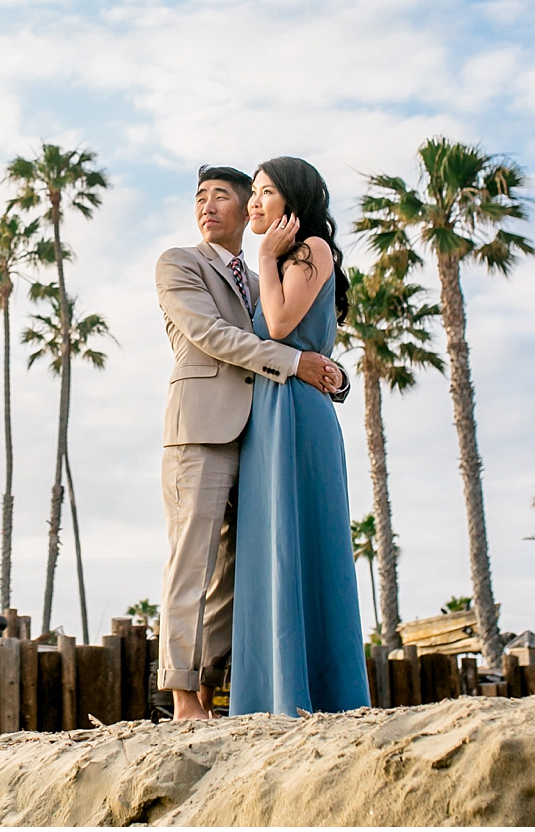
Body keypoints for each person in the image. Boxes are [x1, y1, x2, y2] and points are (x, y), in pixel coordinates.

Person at [154, 165, 350, 721]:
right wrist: (296, 362)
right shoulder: (179, 264)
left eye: (223, 197)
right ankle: (183, 699)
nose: (207, 206)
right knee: (192, 563)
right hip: (202, 432)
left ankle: (213, 693)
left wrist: (325, 371)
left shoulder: (269, 268)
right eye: (200, 198)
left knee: (235, 574)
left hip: (262, 437)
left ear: (248, 211)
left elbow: (291, 323)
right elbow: (214, 337)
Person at [229, 156, 372, 717]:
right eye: (254, 193)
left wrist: (264, 257)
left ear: (295, 198)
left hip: (297, 416)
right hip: (265, 414)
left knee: (304, 541)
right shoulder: (282, 258)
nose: (254, 203)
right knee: (269, 543)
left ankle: (315, 693)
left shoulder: (313, 248)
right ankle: (267, 695)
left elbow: (283, 323)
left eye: (266, 192)